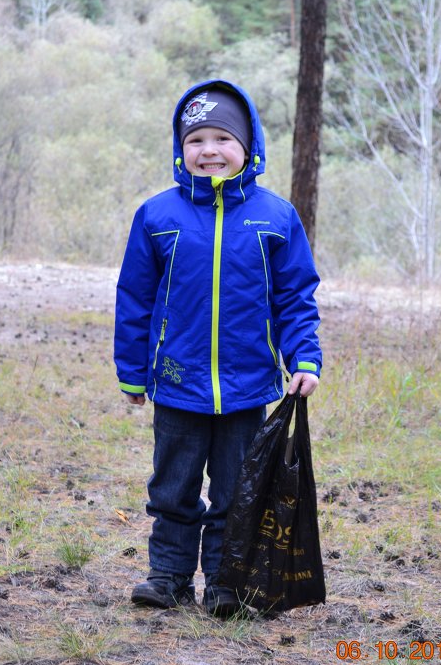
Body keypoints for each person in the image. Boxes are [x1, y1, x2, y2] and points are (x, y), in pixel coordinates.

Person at [114, 79, 321, 616]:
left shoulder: (275, 218)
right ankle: (169, 576)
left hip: (248, 385)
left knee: (237, 491)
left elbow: (295, 296)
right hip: (178, 383)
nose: (209, 151)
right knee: (174, 487)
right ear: (180, 151)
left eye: (222, 138)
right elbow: (134, 298)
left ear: (249, 146)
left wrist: (304, 358)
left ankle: (228, 583)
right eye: (195, 140)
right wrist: (133, 373)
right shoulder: (158, 217)